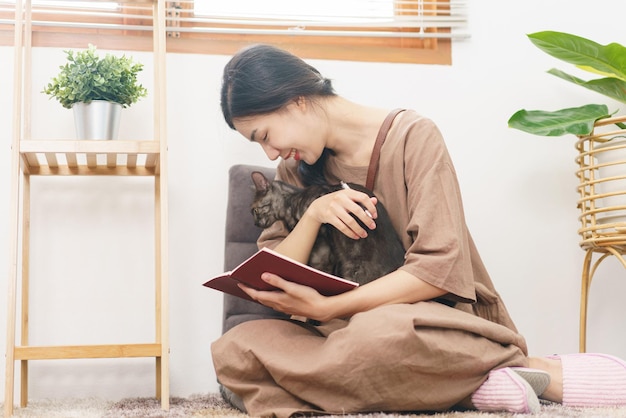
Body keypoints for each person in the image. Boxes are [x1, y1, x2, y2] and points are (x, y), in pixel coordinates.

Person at [211, 44, 626, 417]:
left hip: (426, 321)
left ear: (297, 101)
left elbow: (437, 268)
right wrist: (314, 213)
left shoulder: (412, 136)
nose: (269, 153)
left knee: (379, 336)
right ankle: (471, 383)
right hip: (334, 334)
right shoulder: (293, 169)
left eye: (264, 136)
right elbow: (275, 270)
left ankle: (524, 369)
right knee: (235, 349)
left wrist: (332, 307)